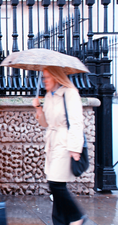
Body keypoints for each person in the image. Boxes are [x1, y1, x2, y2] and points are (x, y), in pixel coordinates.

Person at [32, 66, 87, 225]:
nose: (44, 81)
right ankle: (59, 221)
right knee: (56, 184)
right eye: (43, 78)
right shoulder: (49, 96)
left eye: (47, 77)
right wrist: (38, 109)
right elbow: (46, 123)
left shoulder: (70, 93)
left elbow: (77, 123)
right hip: (52, 143)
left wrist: (75, 148)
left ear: (56, 77)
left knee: (55, 183)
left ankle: (77, 216)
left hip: (65, 143)